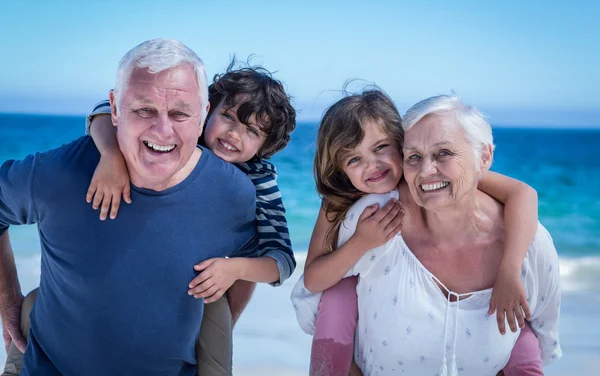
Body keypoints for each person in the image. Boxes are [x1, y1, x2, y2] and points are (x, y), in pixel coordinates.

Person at [0, 38, 262, 376]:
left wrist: (221, 331)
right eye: (144, 110)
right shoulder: (60, 173)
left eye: (180, 113)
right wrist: (8, 301)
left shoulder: (233, 193)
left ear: (203, 115)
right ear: (115, 107)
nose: (162, 130)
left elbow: (252, 262)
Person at [291, 91, 556, 375]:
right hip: (337, 284)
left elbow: (523, 193)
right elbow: (314, 279)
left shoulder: (438, 173)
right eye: (353, 160)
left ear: (399, 143)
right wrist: (361, 243)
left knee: (517, 325)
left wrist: (508, 271)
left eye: (381, 147)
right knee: (339, 293)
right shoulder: (340, 200)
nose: (372, 165)